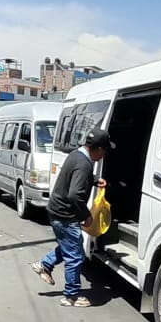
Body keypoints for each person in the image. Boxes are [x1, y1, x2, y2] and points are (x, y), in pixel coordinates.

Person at [30, 129, 114, 307]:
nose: (105, 154)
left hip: (57, 211)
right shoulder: (84, 164)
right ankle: (71, 296)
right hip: (65, 215)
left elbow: (74, 178)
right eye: (105, 150)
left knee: (69, 246)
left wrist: (93, 180)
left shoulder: (77, 155)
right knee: (75, 256)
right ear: (97, 148)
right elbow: (75, 195)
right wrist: (86, 217)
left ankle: (45, 265)